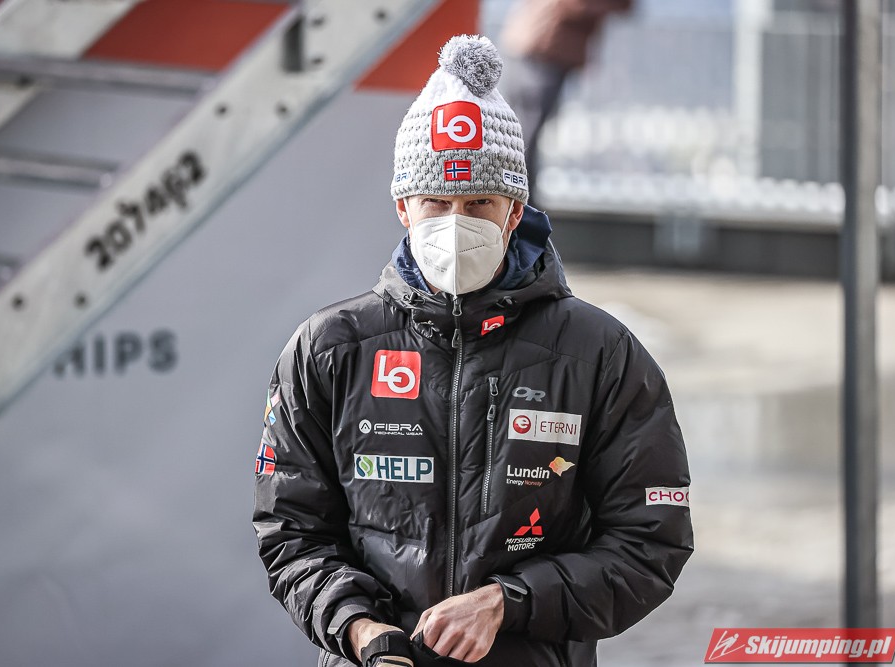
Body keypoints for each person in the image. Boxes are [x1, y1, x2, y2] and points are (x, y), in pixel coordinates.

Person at [253, 35, 691, 667]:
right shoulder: (329, 350)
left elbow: (651, 544)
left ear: (514, 212)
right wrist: (359, 629)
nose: (456, 223)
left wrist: (508, 603)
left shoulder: (599, 355)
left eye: (479, 203)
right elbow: (291, 531)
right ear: (404, 209)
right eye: (436, 202)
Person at [499, 0, 633, 208]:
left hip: (537, 46)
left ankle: (518, 204)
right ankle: (518, 206)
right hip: (542, 49)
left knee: (521, 135)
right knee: (522, 137)